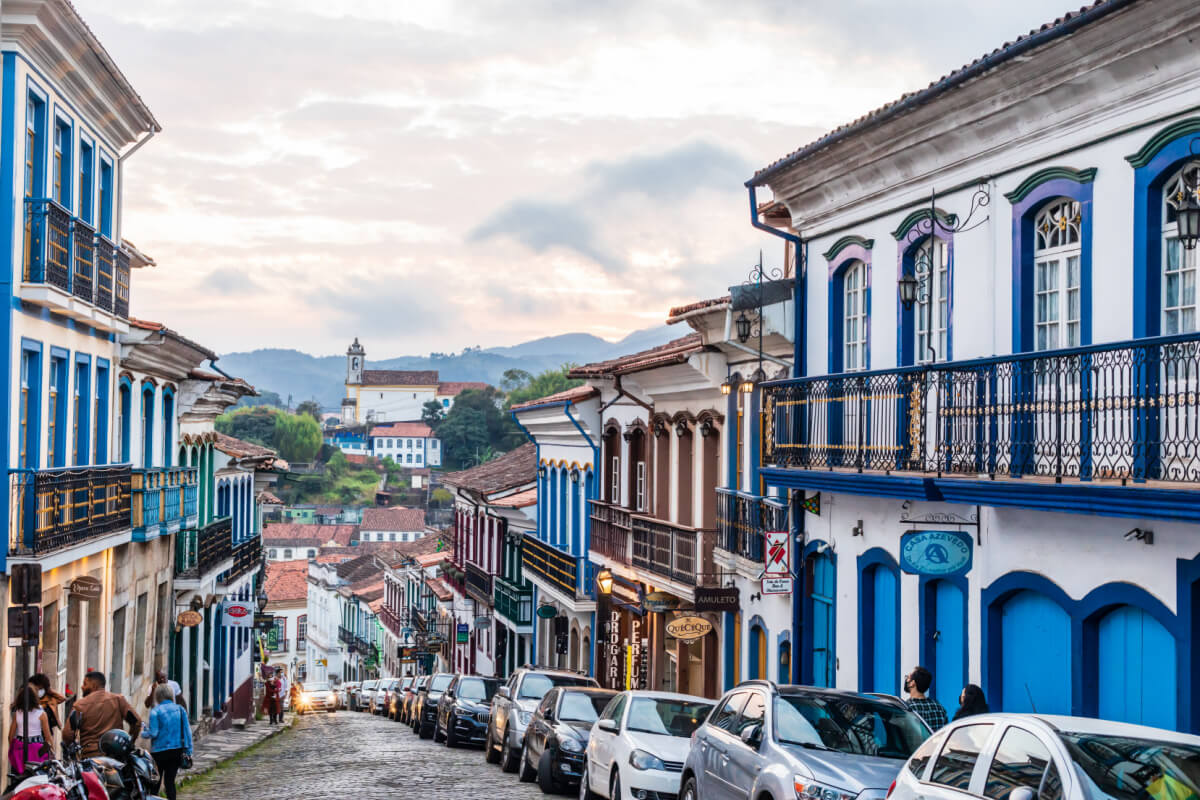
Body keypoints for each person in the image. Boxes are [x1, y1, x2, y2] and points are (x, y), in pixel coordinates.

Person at [62, 672, 142, 759]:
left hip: (90, 757)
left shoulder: (80, 705)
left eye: (85, 684)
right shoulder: (118, 700)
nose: (82, 687)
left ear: (94, 685)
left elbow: (67, 735)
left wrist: (73, 750)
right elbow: (136, 722)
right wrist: (129, 743)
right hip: (116, 756)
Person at [140, 683, 192, 800]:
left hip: (159, 752)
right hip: (176, 751)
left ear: (157, 696)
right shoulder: (180, 710)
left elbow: (154, 733)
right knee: (170, 782)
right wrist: (188, 751)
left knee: (155, 783)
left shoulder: (155, 712)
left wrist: (143, 731)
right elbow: (187, 731)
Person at [8, 687, 52, 777]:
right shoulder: (42, 714)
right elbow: (48, 738)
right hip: (37, 749)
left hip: (19, 747)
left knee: (18, 777)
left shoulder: (18, 713)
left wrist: (13, 748)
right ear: (35, 698)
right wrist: (51, 751)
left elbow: (10, 736)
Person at [903, 665, 948, 731]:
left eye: (908, 677)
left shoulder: (907, 708)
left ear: (912, 683)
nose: (906, 680)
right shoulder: (939, 708)